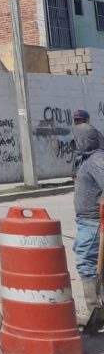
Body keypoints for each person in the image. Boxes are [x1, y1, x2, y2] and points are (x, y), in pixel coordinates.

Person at [70, 109, 104, 311]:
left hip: (94, 222)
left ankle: (95, 310)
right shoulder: (87, 158)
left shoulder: (96, 159)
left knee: (86, 263)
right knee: (92, 262)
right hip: (87, 222)